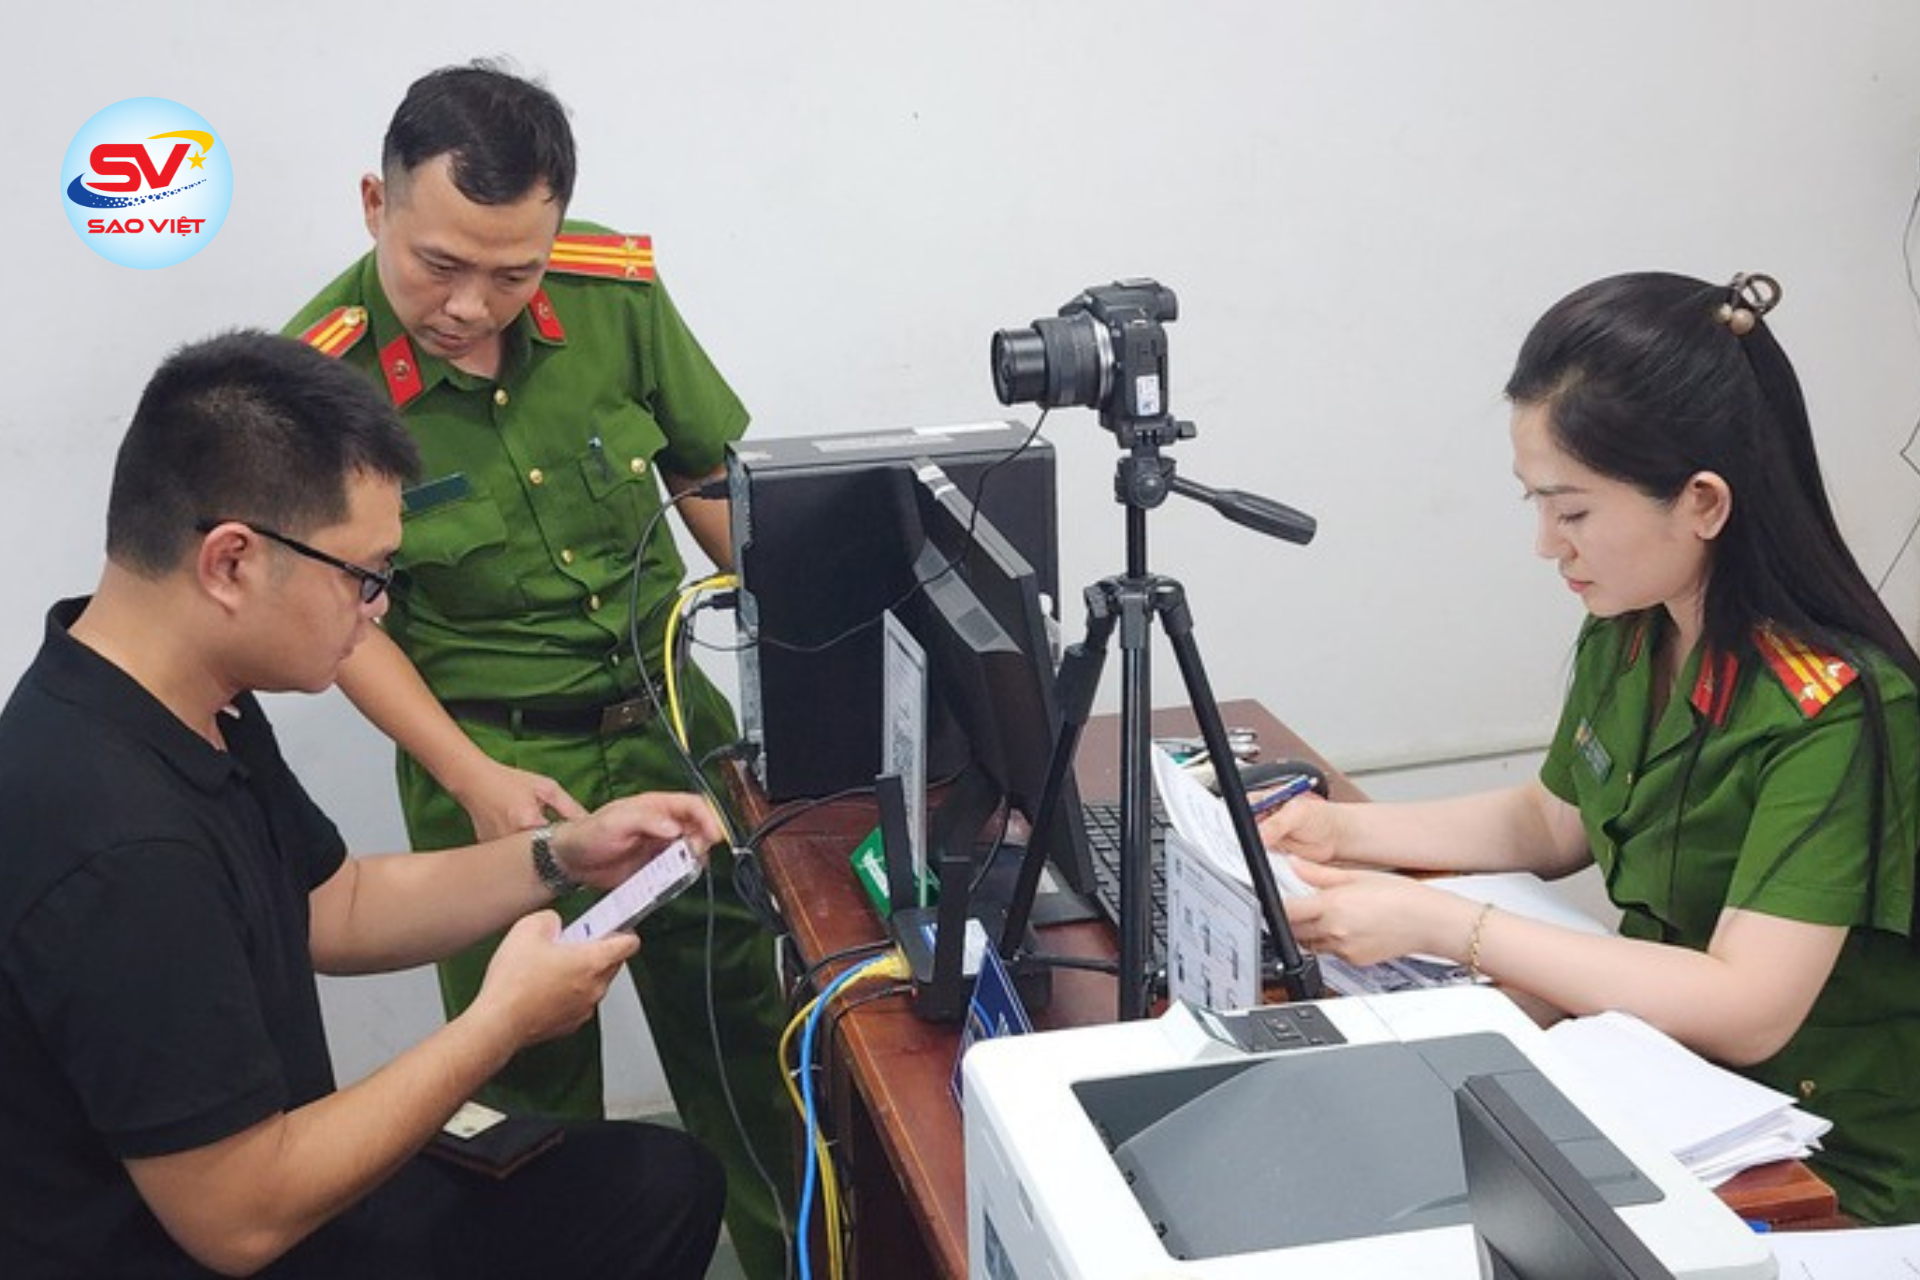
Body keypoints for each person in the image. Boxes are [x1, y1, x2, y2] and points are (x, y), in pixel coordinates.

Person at [0, 331, 727, 1277]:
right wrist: (499, 1023)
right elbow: (240, 1221)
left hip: (270, 1182)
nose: (378, 609)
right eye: (367, 575)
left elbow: (332, 904)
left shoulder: (183, 700)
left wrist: (563, 855)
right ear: (231, 562)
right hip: (219, 1233)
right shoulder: (116, 844)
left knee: (657, 1184)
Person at [1261, 271, 1920, 1224]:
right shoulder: (1636, 624)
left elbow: (1748, 1006)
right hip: (1659, 1078)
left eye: (1571, 511)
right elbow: (1553, 819)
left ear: (1703, 502)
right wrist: (1338, 833)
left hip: (1822, 1168)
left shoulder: (1838, 710)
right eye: (1535, 504)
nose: (1547, 544)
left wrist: (1441, 925)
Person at [283, 62, 791, 1274]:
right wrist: (473, 778)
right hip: (490, 759)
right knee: (526, 1080)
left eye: (514, 272)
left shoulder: (613, 289)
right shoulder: (315, 379)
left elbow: (708, 478)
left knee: (747, 1032)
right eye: (439, 265)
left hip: (671, 729)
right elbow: (348, 624)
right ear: (375, 203)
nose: (472, 305)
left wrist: (814, 633)